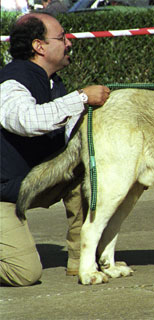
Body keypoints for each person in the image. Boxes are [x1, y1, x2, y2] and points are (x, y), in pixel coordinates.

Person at [0, 13, 110, 286]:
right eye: (61, 38)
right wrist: (82, 97)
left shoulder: (52, 82)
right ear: (39, 46)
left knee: (85, 170)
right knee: (24, 274)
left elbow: (70, 132)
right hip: (2, 193)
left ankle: (81, 258)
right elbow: (25, 121)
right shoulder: (11, 82)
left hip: (31, 182)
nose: (69, 43)